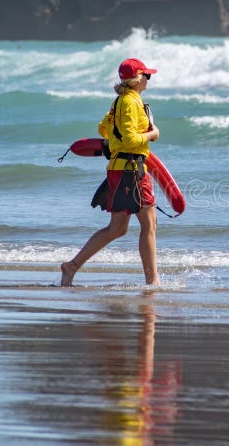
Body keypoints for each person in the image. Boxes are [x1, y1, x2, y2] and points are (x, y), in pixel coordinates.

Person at [61, 58, 161, 286]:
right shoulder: (129, 103)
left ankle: (71, 266)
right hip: (132, 171)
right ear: (137, 79)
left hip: (120, 169)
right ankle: (153, 282)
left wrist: (120, 139)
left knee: (117, 228)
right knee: (149, 225)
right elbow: (129, 139)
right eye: (147, 75)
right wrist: (152, 135)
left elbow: (104, 128)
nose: (148, 79)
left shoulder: (121, 101)